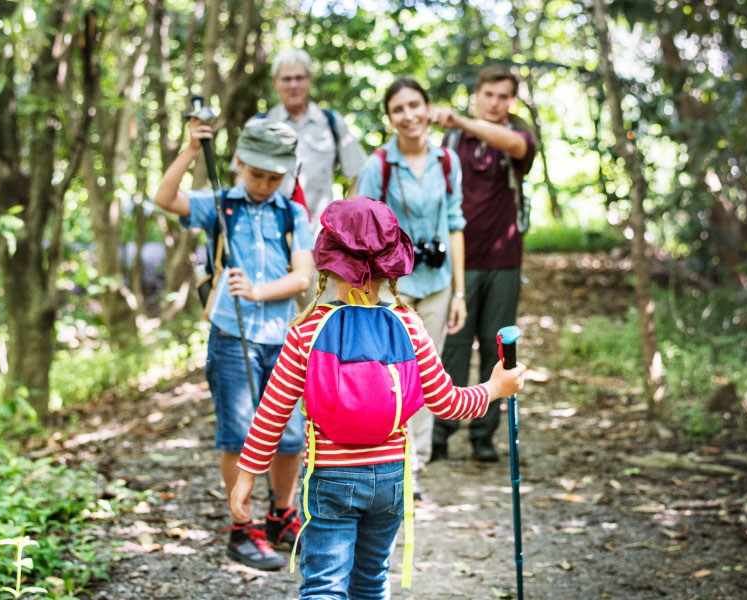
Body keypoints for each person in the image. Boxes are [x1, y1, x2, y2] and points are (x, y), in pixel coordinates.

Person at [228, 197, 527, 599]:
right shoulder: (409, 325)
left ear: (327, 261)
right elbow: (448, 404)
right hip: (390, 480)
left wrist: (246, 476)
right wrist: (495, 388)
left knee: (324, 586)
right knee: (370, 582)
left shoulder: (306, 332)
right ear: (391, 267)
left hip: (330, 478)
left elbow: (272, 413)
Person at [153, 117, 314, 570]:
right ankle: (241, 528)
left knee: (289, 434)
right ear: (239, 163)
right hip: (232, 336)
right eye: (257, 174)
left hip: (283, 339)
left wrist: (258, 291)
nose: (265, 184)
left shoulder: (292, 213)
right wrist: (190, 150)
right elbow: (163, 198)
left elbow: (303, 276)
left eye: (274, 176)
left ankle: (281, 514)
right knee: (240, 433)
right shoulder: (222, 205)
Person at [355, 77, 467, 498]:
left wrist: (459, 291)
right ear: (390, 118)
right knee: (391, 373)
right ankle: (387, 460)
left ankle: (414, 465)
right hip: (391, 286)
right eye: (398, 109)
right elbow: (358, 228)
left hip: (438, 282)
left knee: (427, 373)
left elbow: (455, 225)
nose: (409, 116)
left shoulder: (446, 161)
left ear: (428, 106)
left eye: (415, 105)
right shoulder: (378, 165)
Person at [429, 66, 538, 462]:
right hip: (459, 260)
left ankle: (484, 435)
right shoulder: (454, 138)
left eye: (503, 96)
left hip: (504, 259)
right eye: (488, 94)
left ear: (511, 100)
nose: (495, 102)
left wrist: (458, 117)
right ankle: (442, 431)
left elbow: (516, 146)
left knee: (498, 345)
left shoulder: (518, 133)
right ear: (477, 94)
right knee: (453, 344)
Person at [241, 48, 368, 234]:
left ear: (309, 79)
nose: (293, 85)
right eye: (286, 79)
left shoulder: (330, 122)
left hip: (319, 236)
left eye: (299, 78)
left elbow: (362, 174)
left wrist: (343, 218)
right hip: (268, 234)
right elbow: (241, 178)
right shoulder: (259, 124)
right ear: (276, 82)